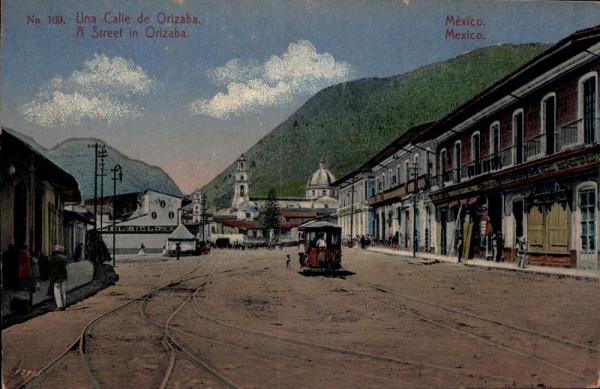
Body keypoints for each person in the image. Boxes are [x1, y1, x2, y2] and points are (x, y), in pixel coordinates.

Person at [49, 244, 68, 311]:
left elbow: (51, 267)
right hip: (63, 275)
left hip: (56, 276)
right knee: (63, 291)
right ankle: (64, 304)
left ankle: (59, 305)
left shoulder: (54, 258)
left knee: (57, 291)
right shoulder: (64, 257)